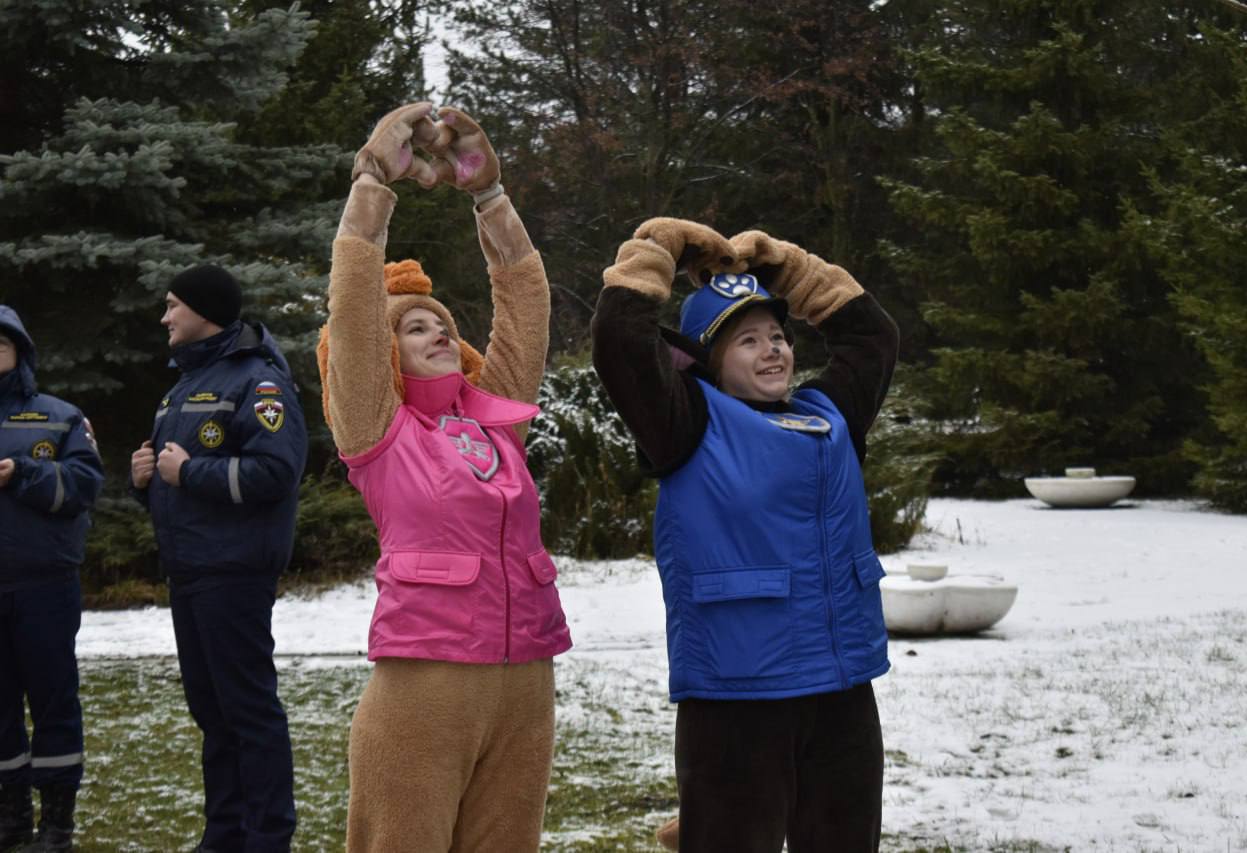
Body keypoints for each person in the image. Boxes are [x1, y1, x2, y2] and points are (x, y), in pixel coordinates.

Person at [591, 219, 900, 852]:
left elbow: (872, 336)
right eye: (748, 341)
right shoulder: (686, 421)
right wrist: (658, 249)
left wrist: (788, 267)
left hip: (842, 692)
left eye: (778, 337)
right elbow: (620, 340)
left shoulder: (830, 414)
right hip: (737, 697)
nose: (773, 351)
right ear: (708, 362)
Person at [316, 102, 572, 852]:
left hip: (527, 680)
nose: (437, 330)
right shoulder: (377, 428)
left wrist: (489, 195)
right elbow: (354, 311)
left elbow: (526, 304)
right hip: (427, 684)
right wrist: (371, 183)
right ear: (385, 353)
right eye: (413, 325)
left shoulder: (496, 419)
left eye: (442, 323)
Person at [129, 266, 305, 853]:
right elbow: (175, 481)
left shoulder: (259, 382)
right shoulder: (184, 384)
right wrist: (144, 480)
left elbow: (276, 473)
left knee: (248, 711)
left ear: (204, 310)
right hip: (191, 571)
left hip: (234, 571)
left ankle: (267, 837)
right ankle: (224, 835)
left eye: (172, 305)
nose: (164, 317)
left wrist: (188, 472)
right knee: (213, 712)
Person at [0, 306, 104, 852]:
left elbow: (85, 485)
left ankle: (57, 823)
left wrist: (23, 474)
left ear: (20, 353)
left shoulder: (60, 416)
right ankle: (11, 817)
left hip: (44, 585)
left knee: (54, 701)